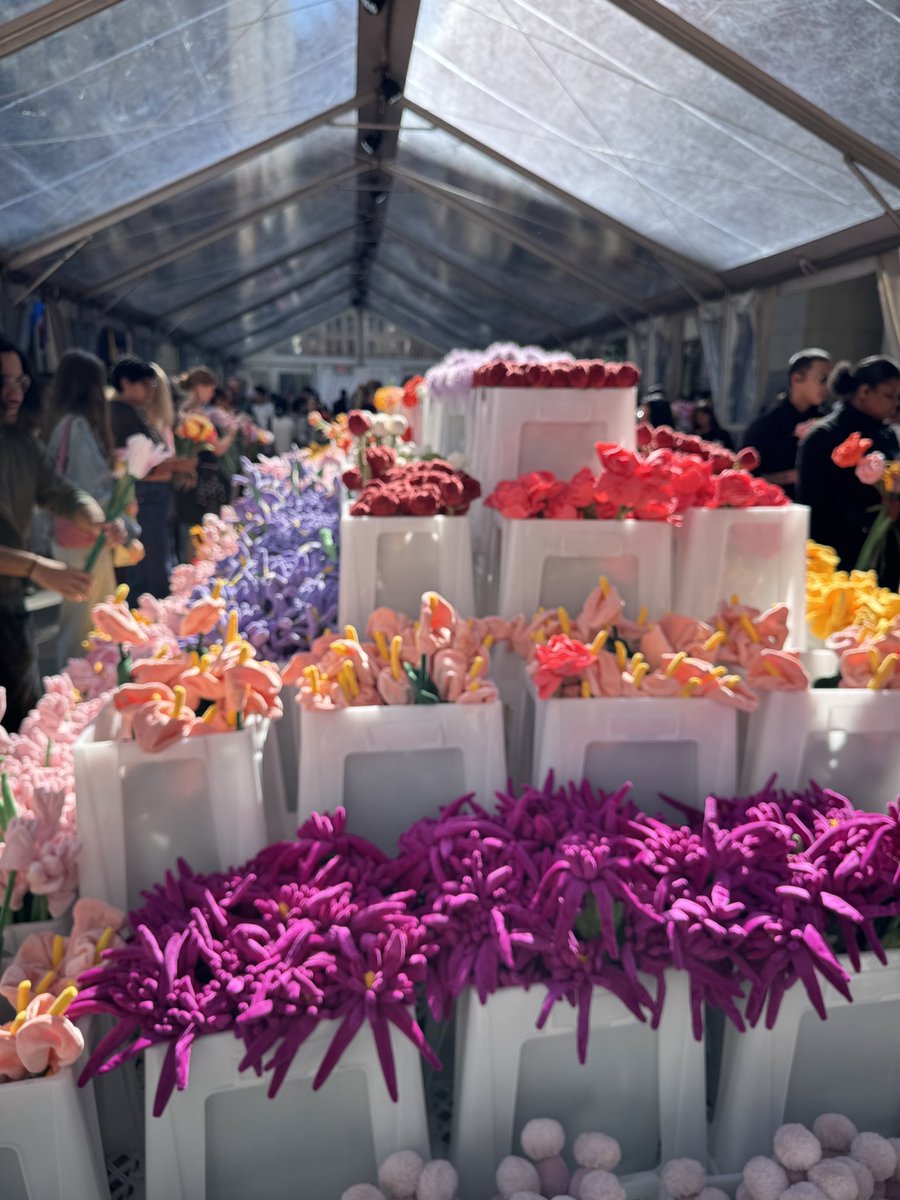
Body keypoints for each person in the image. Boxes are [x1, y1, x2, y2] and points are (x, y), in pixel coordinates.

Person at [0, 335, 108, 731]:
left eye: (20, 381)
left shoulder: (23, 443)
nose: (14, 393)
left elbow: (59, 490)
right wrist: (36, 568)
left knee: (23, 723)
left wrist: (90, 514)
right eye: (1, 382)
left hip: (11, 608)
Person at [43, 350, 133, 662]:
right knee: (86, 622)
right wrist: (125, 524)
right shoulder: (78, 426)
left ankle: (81, 680)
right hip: (86, 537)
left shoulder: (57, 423)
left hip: (69, 535)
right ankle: (74, 684)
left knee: (84, 616)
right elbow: (91, 489)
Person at [797, 356, 900, 584]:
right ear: (864, 392)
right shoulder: (824, 435)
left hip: (884, 555)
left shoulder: (887, 435)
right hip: (838, 556)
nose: (895, 404)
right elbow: (813, 506)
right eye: (889, 395)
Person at [109, 356, 185, 597]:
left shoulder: (130, 411)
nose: (151, 391)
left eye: (152, 385)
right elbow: (139, 463)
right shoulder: (120, 412)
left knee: (153, 556)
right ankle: (150, 607)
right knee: (150, 559)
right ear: (125, 383)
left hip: (147, 493)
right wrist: (181, 465)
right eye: (145, 385)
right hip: (143, 494)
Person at [741, 349, 831, 499]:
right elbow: (747, 478)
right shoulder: (766, 426)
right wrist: (791, 476)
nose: (828, 387)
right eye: (822, 379)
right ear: (797, 379)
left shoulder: (828, 421)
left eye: (830, 380)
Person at [173, 367, 238, 559]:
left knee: (189, 527)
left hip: (188, 475)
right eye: (210, 389)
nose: (212, 394)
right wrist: (231, 434)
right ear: (199, 387)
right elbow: (218, 448)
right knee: (200, 529)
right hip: (202, 479)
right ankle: (195, 567)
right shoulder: (197, 415)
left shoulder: (179, 411)